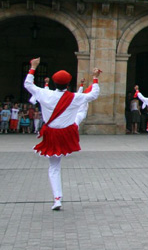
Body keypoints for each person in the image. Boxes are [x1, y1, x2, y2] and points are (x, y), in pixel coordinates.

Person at [25, 57, 101, 210]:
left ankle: (57, 198)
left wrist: (33, 68)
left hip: (52, 133)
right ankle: (81, 111)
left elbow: (28, 84)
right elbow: (93, 95)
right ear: (68, 83)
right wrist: (95, 79)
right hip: (68, 131)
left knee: (54, 167)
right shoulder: (74, 97)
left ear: (54, 83)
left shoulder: (44, 94)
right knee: (80, 114)